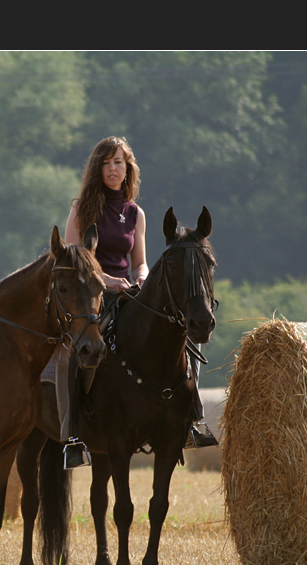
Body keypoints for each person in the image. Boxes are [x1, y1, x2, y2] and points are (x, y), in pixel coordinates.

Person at [57, 136, 215, 467]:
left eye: (119, 163)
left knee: (183, 340)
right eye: (107, 163)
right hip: (92, 294)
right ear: (97, 168)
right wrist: (106, 280)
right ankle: (72, 436)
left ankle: (192, 421)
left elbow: (140, 260)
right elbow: (73, 260)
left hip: (131, 292)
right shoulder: (81, 208)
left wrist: (141, 277)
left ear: (128, 169)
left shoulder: (136, 213)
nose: (113, 169)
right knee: (75, 352)